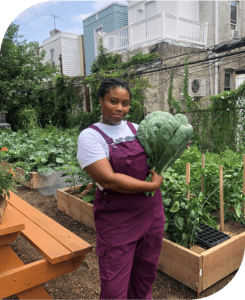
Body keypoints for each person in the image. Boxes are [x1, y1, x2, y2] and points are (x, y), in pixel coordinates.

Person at [77, 78, 189, 300]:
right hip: (118, 220)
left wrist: (175, 147)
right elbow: (109, 180)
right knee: (114, 286)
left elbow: (157, 161)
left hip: (151, 215)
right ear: (100, 101)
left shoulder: (138, 129)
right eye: (113, 101)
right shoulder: (90, 136)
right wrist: (153, 185)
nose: (120, 108)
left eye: (125, 103)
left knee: (144, 276)